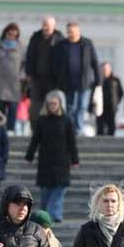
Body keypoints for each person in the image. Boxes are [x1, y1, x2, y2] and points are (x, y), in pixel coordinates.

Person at [26, 90, 79, 223]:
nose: (52, 106)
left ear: (60, 104)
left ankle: (54, 214)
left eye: (54, 104)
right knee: (45, 192)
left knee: (59, 189)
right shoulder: (42, 120)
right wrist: (30, 155)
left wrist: (75, 159)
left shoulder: (66, 120)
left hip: (62, 160)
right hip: (46, 160)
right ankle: (45, 215)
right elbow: (35, 139)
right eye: (50, 104)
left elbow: (72, 141)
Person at [53, 22, 101, 134]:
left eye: (73, 32)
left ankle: (78, 129)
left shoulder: (87, 44)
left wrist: (99, 80)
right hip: (67, 82)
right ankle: (70, 129)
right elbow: (56, 63)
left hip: (84, 82)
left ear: (78, 31)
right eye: (69, 32)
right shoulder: (62, 45)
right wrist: (58, 79)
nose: (70, 34)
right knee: (70, 107)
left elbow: (95, 62)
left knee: (81, 106)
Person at [25, 16, 65, 127]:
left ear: (53, 26)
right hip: (37, 78)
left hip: (53, 80)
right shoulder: (35, 38)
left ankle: (51, 129)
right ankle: (35, 129)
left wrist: (60, 78)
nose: (45, 27)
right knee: (35, 107)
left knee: (52, 105)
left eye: (48, 25)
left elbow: (63, 61)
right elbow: (29, 56)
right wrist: (29, 73)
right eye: (44, 25)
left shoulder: (60, 39)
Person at [0, 22, 24, 132]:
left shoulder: (20, 47)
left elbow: (26, 63)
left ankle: (10, 129)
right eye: (9, 34)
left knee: (13, 108)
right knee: (0, 107)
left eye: (14, 35)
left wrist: (22, 75)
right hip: (0, 83)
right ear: (5, 33)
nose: (11, 36)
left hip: (14, 83)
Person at [98, 62, 124, 136]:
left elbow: (121, 93)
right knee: (100, 127)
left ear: (110, 69)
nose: (104, 71)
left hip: (111, 107)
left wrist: (116, 102)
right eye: (103, 69)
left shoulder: (116, 80)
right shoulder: (98, 80)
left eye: (106, 69)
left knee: (111, 126)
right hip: (100, 107)